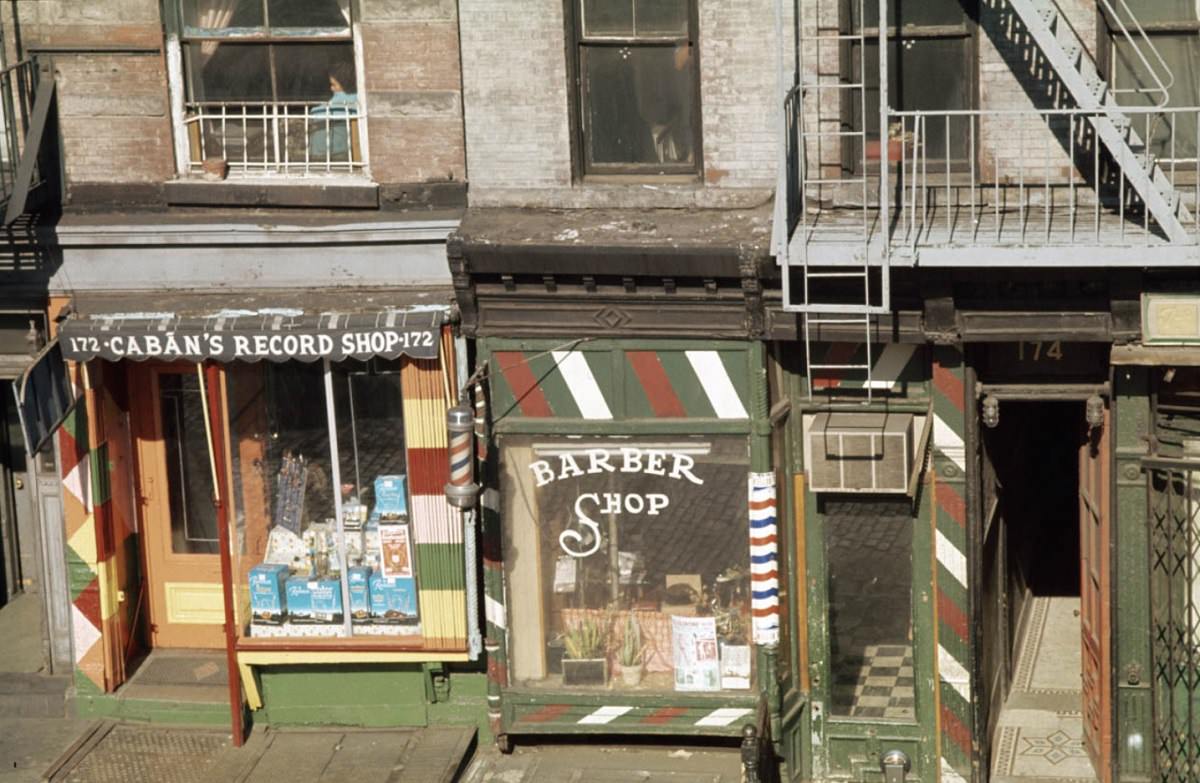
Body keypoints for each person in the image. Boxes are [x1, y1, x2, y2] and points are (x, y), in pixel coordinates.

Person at [309, 61, 358, 161]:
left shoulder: (343, 101)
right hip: (343, 150)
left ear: (344, 83)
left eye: (334, 85)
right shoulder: (358, 99)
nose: (331, 88)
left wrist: (313, 110)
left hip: (330, 152)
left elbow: (316, 113)